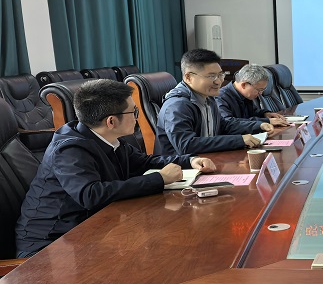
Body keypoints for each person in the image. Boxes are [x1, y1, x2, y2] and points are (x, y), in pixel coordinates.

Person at [15, 79, 216, 257]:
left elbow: (143, 162)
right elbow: (91, 194)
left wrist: (189, 160)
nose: (137, 117)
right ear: (111, 121)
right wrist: (160, 179)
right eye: (134, 112)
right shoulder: (69, 149)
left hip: (90, 228)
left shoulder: (106, 137)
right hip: (50, 245)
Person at [157, 49, 272, 155]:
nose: (218, 81)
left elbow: (224, 125)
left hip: (209, 159)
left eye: (220, 75)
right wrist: (238, 140)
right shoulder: (177, 105)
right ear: (188, 77)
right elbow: (187, 145)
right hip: (182, 167)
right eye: (211, 76)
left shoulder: (208, 97)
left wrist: (259, 125)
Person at [216, 64, 290, 127]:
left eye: (263, 90)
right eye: (259, 90)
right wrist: (266, 121)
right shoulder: (220, 98)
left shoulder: (245, 95)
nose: (261, 93)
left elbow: (253, 112)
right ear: (244, 85)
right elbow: (229, 122)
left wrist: (265, 114)